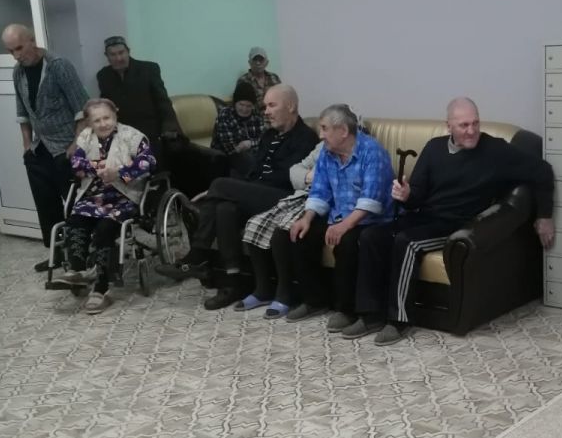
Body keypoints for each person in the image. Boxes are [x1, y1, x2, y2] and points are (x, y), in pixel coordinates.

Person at [345, 97, 555, 344]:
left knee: (407, 243)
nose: (471, 131)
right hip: (425, 217)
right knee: (371, 236)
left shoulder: (495, 150)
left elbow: (542, 171)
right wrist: (407, 195)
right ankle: (370, 314)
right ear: (449, 127)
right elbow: (417, 195)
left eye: (475, 123)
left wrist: (544, 216)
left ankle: (398, 320)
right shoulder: (434, 148)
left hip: (458, 225)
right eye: (464, 125)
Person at [156, 84, 316, 310]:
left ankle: (198, 253)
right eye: (265, 106)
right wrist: (235, 191)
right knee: (225, 208)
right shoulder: (269, 135)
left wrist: (230, 189)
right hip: (259, 193)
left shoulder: (306, 137)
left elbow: (289, 177)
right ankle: (233, 282)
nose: (266, 112)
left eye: (272, 105)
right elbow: (254, 172)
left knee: (219, 184)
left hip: (286, 198)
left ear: (290, 106)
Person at [285, 105, 394, 330]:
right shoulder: (327, 153)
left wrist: (343, 226)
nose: (320, 134)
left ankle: (347, 310)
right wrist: (306, 218)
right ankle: (314, 300)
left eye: (325, 128)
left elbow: (371, 200)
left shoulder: (372, 151)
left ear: (343, 131)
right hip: (340, 215)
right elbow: (320, 191)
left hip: (371, 220)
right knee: (301, 234)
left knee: (346, 241)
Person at [53, 98, 156, 313]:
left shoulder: (132, 136)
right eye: (97, 120)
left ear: (115, 114)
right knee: (76, 220)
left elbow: (148, 162)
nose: (103, 124)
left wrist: (119, 173)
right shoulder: (85, 136)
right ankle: (78, 271)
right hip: (93, 194)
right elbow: (76, 163)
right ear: (89, 122)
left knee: (105, 228)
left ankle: (101, 289)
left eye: (106, 118)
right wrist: (97, 169)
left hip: (124, 195)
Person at [2, 23, 89, 270]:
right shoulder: (18, 72)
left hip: (65, 147)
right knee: (46, 204)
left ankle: (81, 253)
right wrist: (26, 145)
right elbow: (22, 113)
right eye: (11, 51)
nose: (16, 56)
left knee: (73, 203)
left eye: (19, 48)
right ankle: (57, 253)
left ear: (32, 40)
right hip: (39, 147)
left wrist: (76, 144)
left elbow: (82, 108)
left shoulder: (58, 66)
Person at [237, 142, 323, 317]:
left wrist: (318, 178)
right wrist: (308, 176)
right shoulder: (324, 145)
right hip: (301, 195)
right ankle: (263, 289)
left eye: (325, 129)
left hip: (320, 200)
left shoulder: (352, 148)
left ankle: (285, 293)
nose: (321, 135)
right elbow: (295, 169)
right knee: (255, 224)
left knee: (283, 230)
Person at [96, 36, 180, 158]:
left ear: (128, 51)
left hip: (152, 133)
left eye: (121, 53)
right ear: (107, 56)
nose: (118, 58)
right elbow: (107, 106)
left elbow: (162, 101)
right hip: (123, 136)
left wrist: (169, 128)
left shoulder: (148, 69)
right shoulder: (103, 75)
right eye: (113, 55)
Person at [211, 80, 263, 176]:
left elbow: (264, 139)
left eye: (248, 106)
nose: (244, 109)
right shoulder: (225, 114)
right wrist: (254, 144)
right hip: (226, 155)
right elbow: (231, 148)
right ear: (235, 103)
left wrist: (250, 143)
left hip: (252, 152)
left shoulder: (256, 115)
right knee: (250, 163)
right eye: (241, 104)